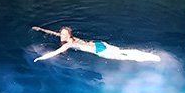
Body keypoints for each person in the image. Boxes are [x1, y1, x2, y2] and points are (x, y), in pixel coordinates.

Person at [31, 26, 161, 63]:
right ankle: (144, 54)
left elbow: (55, 53)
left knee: (123, 57)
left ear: (69, 35)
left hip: (100, 51)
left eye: (65, 34)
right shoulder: (71, 38)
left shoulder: (68, 44)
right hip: (100, 44)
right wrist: (41, 29)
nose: (63, 36)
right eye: (62, 34)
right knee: (122, 50)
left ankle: (150, 58)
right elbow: (54, 33)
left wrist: (40, 58)